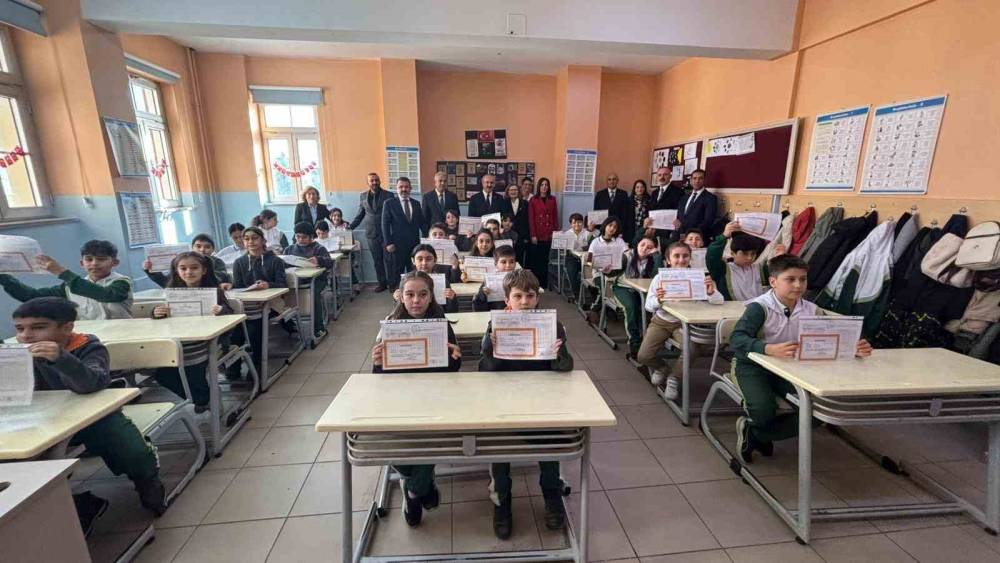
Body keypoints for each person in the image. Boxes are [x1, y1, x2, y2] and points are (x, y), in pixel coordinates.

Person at [13, 297, 165, 535]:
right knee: (21, 458)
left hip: (94, 417)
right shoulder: (15, 352)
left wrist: (61, 359)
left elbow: (91, 383)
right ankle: (64, 505)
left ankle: (147, 479)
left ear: (67, 327)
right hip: (41, 421)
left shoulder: (88, 346)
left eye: (39, 327)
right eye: (20, 329)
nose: (26, 336)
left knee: (128, 447)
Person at [732, 254, 873, 462]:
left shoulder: (811, 309)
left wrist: (853, 347)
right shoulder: (759, 307)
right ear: (773, 282)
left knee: (817, 411)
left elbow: (833, 336)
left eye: (803, 279)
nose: (798, 285)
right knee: (763, 409)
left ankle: (756, 434)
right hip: (752, 366)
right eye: (790, 279)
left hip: (792, 369)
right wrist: (767, 348)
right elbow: (737, 339)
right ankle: (761, 430)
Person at [479, 270, 572, 539]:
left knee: (550, 440)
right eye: (517, 296)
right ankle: (502, 500)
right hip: (505, 399)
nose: (524, 301)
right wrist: (490, 349)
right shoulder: (496, 325)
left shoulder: (552, 324)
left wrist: (558, 355)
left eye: (530, 296)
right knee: (498, 445)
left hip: (541, 397)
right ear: (507, 300)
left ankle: (551, 494)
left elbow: (566, 366)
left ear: (537, 298)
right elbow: (484, 371)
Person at [371, 271, 461, 526]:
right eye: (410, 294)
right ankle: (422, 486)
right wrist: (377, 363)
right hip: (400, 400)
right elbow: (378, 378)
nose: (416, 300)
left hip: (435, 399)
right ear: (401, 296)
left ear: (431, 296)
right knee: (395, 440)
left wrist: (455, 359)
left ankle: (412, 490)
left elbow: (452, 372)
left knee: (433, 436)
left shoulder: (441, 325)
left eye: (423, 294)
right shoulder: (390, 326)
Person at [638, 241, 723, 396]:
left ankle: (674, 377)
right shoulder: (659, 278)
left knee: (691, 348)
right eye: (676, 256)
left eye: (685, 256)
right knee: (643, 355)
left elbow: (719, 301)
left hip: (685, 323)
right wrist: (659, 300)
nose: (681, 260)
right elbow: (648, 306)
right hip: (661, 322)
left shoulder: (698, 277)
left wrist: (711, 292)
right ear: (668, 260)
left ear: (690, 258)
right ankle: (662, 368)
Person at [151, 252, 232, 412]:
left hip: (207, 342)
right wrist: (156, 312)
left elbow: (230, 312)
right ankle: (202, 398)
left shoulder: (214, 291)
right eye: (183, 268)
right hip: (180, 341)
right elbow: (164, 316)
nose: (188, 272)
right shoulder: (172, 291)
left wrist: (221, 310)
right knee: (162, 374)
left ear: (204, 270)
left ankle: (204, 399)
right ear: (177, 271)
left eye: (194, 268)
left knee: (194, 370)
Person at [0, 240, 132, 320]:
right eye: (89, 259)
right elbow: (31, 296)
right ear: (82, 263)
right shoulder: (69, 286)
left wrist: (61, 272)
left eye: (101, 259)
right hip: (90, 336)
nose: (94, 263)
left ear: (115, 262)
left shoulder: (121, 282)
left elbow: (106, 295)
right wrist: (4, 277)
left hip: (122, 333)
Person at [232, 227, 288, 369]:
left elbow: (282, 285)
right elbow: (238, 287)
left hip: (271, 304)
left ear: (263, 241)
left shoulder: (275, 261)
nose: (250, 241)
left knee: (254, 327)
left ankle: (258, 366)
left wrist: (269, 285)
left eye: (254, 238)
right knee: (235, 330)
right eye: (246, 239)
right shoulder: (239, 262)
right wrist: (229, 286)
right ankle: (233, 368)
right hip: (247, 306)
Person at [612, 236, 662, 359]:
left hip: (643, 290)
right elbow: (613, 271)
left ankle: (649, 340)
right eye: (642, 245)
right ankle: (634, 342)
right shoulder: (627, 256)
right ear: (637, 244)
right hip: (623, 287)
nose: (645, 248)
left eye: (649, 247)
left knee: (652, 307)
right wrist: (607, 270)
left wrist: (657, 256)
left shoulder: (653, 259)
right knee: (631, 307)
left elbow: (656, 277)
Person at [285, 222, 335, 336]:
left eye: (304, 237)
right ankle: (289, 325)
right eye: (298, 236)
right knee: (282, 295)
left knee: (313, 294)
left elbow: (330, 262)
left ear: (311, 237)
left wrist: (319, 260)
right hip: (295, 281)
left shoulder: (319, 248)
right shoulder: (289, 249)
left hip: (317, 280)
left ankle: (318, 327)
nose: (300, 240)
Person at [350, 172, 395, 292]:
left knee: (389, 260)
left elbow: (393, 215)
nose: (374, 182)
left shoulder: (389, 195)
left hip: (386, 234)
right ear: (368, 183)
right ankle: (382, 283)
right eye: (372, 180)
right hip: (371, 234)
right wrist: (349, 227)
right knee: (377, 261)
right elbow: (360, 214)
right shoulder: (363, 196)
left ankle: (392, 284)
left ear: (380, 181)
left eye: (376, 180)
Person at [381, 177, 425, 291]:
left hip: (414, 245)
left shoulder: (416, 204)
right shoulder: (389, 203)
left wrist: (428, 238)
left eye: (406, 187)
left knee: (413, 272)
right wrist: (388, 243)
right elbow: (385, 224)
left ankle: (412, 292)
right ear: (396, 188)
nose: (404, 189)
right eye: (401, 187)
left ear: (410, 188)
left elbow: (422, 223)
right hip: (396, 245)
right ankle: (397, 296)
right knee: (396, 272)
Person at [707, 222, 769, 301]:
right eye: (745, 253)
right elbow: (712, 256)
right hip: (733, 308)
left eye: (753, 253)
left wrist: (780, 257)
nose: (750, 258)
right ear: (732, 253)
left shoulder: (760, 269)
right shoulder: (723, 270)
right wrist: (723, 237)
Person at [145, 233, 232, 289]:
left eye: (207, 247)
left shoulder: (217, 262)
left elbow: (218, 279)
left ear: (213, 249)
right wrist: (151, 270)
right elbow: (166, 282)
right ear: (192, 247)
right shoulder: (183, 262)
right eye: (198, 246)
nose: (202, 250)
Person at [392, 244, 459, 312]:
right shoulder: (406, 281)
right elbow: (399, 312)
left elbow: (452, 311)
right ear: (413, 261)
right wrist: (397, 299)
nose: (424, 263)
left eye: (428, 259)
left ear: (435, 260)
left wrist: (452, 298)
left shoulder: (442, 281)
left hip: (437, 316)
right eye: (420, 259)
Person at [584, 216, 628, 320]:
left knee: (614, 288)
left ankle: (605, 309)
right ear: (605, 225)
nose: (612, 228)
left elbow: (626, 255)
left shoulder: (619, 241)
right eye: (610, 225)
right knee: (603, 289)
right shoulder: (596, 241)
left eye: (615, 227)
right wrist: (599, 267)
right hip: (599, 272)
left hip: (616, 273)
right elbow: (589, 260)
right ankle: (597, 309)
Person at [528, 177, 558, 287]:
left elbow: (555, 217)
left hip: (548, 233)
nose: (544, 187)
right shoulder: (533, 199)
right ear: (539, 187)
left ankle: (544, 283)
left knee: (545, 259)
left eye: (546, 185)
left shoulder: (552, 199)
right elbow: (531, 219)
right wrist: (533, 235)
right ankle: (535, 283)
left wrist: (555, 233)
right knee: (537, 259)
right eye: (542, 185)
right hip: (537, 233)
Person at [472, 245, 517, 312]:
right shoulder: (489, 281)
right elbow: (478, 309)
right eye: (503, 262)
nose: (508, 265)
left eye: (512, 262)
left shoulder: (521, 280)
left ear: (515, 263)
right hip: (495, 315)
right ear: (496, 264)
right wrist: (483, 295)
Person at [648, 166, 685, 247]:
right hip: (654, 230)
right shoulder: (654, 193)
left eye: (665, 174)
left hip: (669, 232)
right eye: (660, 175)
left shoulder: (678, 192)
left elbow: (680, 211)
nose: (662, 177)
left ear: (670, 176)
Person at [674, 169, 717, 237]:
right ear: (691, 180)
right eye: (694, 178)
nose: (697, 181)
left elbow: (708, 221)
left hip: (696, 236)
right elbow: (679, 215)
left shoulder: (710, 198)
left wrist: (691, 233)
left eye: (700, 178)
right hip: (679, 234)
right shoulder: (684, 197)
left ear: (704, 180)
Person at [563, 213, 592, 300]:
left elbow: (592, 245)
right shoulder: (566, 234)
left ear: (582, 223)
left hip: (585, 259)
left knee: (592, 272)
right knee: (572, 273)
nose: (577, 224)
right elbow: (563, 248)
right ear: (571, 224)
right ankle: (577, 295)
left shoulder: (587, 233)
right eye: (574, 222)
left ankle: (592, 294)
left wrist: (583, 248)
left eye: (579, 222)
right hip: (571, 258)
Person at [592, 172, 631, 236]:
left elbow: (625, 213)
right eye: (609, 179)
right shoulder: (600, 194)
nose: (611, 181)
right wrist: (598, 228)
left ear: (617, 181)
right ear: (607, 181)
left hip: (618, 227)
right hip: (603, 227)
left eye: (614, 179)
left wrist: (622, 228)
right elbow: (596, 211)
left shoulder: (623, 194)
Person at [504, 183, 530, 266]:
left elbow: (527, 220)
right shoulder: (504, 203)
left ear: (518, 191)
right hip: (508, 235)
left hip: (521, 236)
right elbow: (502, 217)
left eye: (515, 190)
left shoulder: (525, 203)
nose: (513, 192)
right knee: (508, 257)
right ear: (508, 192)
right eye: (511, 190)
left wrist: (526, 236)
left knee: (520, 258)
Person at [629, 179, 651, 246]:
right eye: (637, 187)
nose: (639, 189)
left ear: (644, 188)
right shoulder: (629, 200)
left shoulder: (649, 200)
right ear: (634, 189)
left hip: (644, 229)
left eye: (642, 187)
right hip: (631, 228)